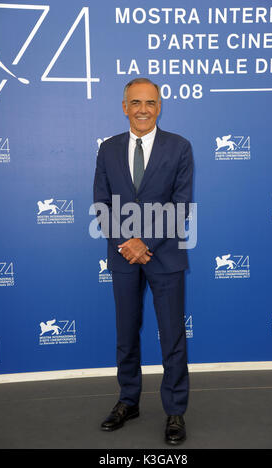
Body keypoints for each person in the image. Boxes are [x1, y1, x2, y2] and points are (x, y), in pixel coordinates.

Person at [94, 78, 193, 445]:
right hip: (122, 256)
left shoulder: (179, 147)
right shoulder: (108, 150)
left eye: (150, 102)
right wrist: (126, 243)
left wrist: (144, 242)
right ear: (124, 107)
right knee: (126, 334)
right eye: (135, 102)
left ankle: (175, 411)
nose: (142, 109)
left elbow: (180, 205)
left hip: (164, 255)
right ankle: (128, 401)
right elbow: (101, 204)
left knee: (172, 337)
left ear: (159, 106)